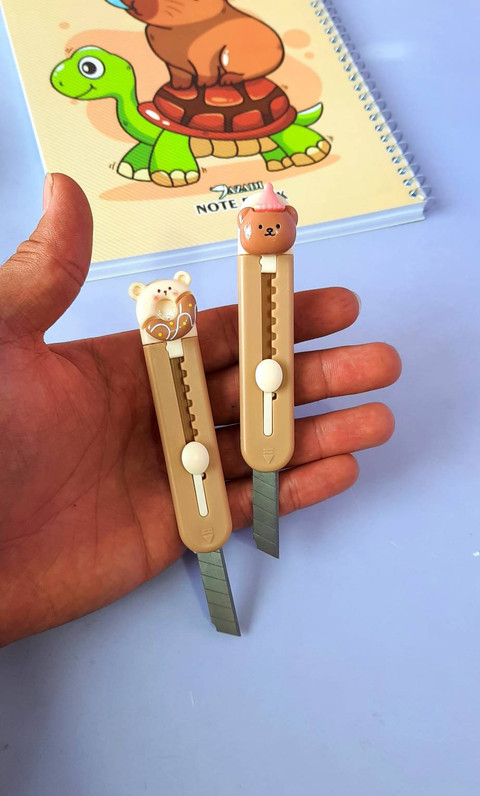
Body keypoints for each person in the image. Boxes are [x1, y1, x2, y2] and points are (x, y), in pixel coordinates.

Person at [0, 174, 401, 645]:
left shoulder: (266, 265)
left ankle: (256, 570)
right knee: (213, 451)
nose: (268, 233)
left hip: (246, 409)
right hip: (192, 427)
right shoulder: (167, 328)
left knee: (258, 405)